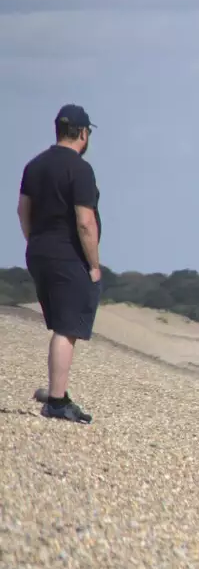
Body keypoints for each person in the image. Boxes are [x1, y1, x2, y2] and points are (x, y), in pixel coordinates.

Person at [18, 104, 102, 424]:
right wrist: (93, 264)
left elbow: (22, 210)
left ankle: (55, 393)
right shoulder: (80, 170)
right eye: (88, 132)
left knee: (61, 326)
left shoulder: (34, 166)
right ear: (82, 133)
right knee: (67, 329)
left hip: (39, 252)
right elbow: (85, 222)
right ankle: (57, 400)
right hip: (68, 256)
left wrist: (34, 242)